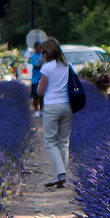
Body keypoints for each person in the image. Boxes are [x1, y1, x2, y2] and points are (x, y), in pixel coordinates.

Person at [35, 38, 75, 189]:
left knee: (50, 141)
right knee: (64, 142)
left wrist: (40, 84)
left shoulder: (47, 68)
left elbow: (40, 91)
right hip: (67, 106)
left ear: (47, 53)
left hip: (52, 106)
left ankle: (60, 174)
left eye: (42, 52)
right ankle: (61, 174)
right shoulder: (67, 65)